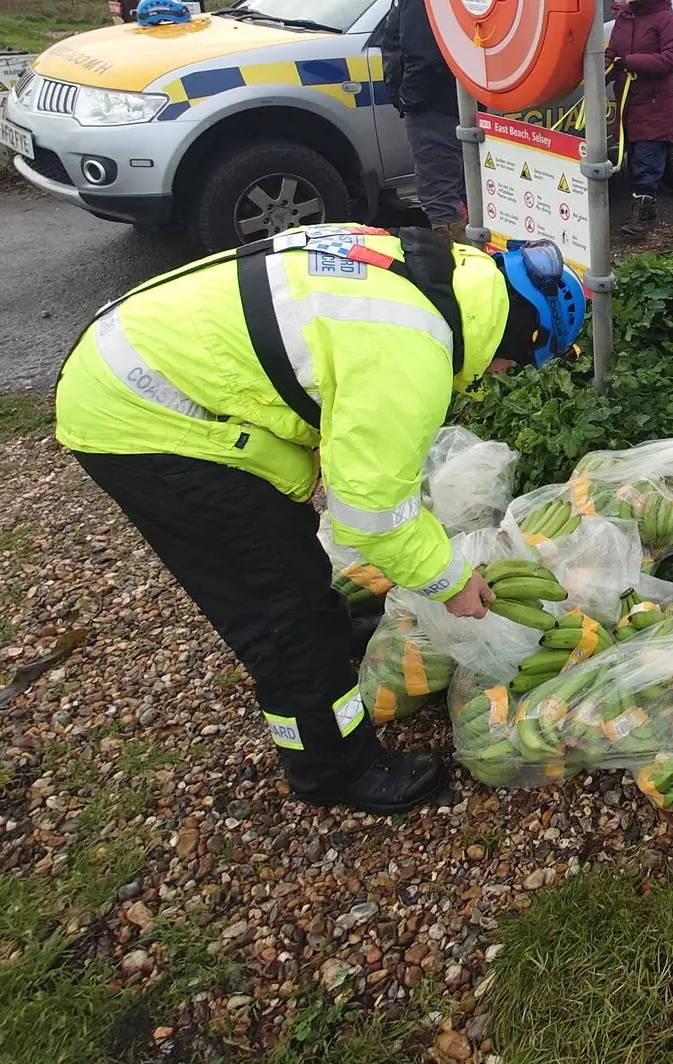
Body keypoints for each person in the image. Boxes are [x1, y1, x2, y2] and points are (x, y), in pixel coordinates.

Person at [55, 225, 586, 814]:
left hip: (147, 356)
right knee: (280, 610)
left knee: (291, 565)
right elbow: (374, 517)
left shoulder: (434, 272)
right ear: (517, 338)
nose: (501, 375)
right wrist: (452, 583)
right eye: (514, 364)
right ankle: (333, 770)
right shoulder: (412, 352)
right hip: (147, 417)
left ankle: (327, 653)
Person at [374, 0, 467, 241]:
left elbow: (425, 56)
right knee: (455, 190)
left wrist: (409, 99)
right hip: (440, 107)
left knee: (440, 195)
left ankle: (457, 267)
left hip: (433, 111)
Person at [607, 0, 673, 232]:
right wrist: (597, 76)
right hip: (628, 101)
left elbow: (671, 59)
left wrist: (629, 62)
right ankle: (647, 212)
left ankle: (640, 219)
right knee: (632, 157)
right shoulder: (624, 18)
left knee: (647, 159)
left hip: (654, 102)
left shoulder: (667, 21)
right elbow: (612, 53)